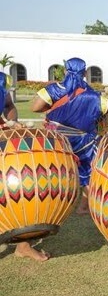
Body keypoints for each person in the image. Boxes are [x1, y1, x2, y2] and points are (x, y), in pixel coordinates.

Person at [31, 57, 108, 214]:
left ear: (64, 70)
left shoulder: (53, 89)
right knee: (88, 172)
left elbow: (35, 107)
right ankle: (84, 207)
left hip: (56, 139)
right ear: (84, 73)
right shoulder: (93, 95)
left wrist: (53, 109)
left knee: (51, 170)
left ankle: (49, 206)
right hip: (84, 141)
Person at [0, 72, 49, 261]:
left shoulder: (2, 80)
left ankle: (23, 246)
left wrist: (11, 122)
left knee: (21, 193)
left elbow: (9, 105)